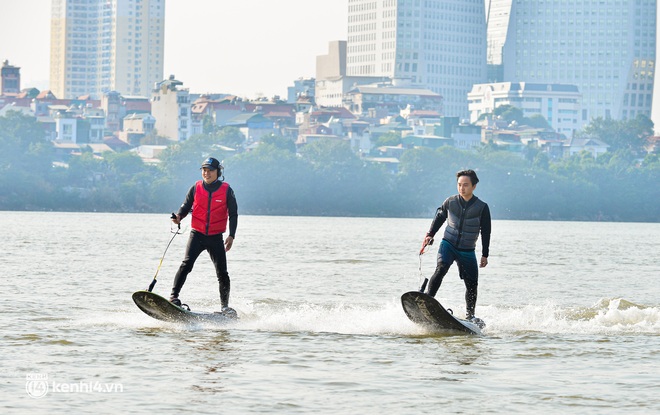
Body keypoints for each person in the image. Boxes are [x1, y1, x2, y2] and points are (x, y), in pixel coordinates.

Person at [169, 157, 238, 314]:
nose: (206, 173)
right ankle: (173, 297)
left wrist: (231, 235)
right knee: (186, 264)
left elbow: (233, 214)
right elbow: (186, 206)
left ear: (218, 172)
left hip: (216, 238)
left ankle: (224, 307)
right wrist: (178, 217)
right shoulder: (196, 187)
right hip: (197, 235)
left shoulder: (227, 190)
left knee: (222, 273)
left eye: (210, 170)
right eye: (204, 170)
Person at [420, 169, 491, 321]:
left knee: (472, 284)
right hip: (448, 245)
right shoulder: (450, 202)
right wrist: (430, 235)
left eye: (465, 185)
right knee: (441, 269)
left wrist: (485, 254)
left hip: (467, 250)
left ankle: (470, 316)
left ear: (474, 186)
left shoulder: (482, 207)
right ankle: (427, 301)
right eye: (459, 185)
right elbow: (439, 217)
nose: (462, 188)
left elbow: (486, 232)